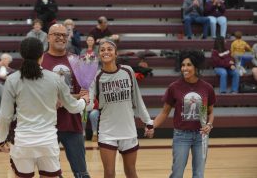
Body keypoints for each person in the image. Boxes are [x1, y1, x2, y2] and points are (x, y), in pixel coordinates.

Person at [0, 37, 89, 178]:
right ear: (42, 55)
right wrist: (84, 100)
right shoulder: (55, 78)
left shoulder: (12, 79)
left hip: (23, 142)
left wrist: (1, 138)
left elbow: (5, 116)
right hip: (48, 142)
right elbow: (73, 107)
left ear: (22, 55)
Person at [92, 40, 154, 178]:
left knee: (131, 172)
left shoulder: (128, 71)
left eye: (109, 49)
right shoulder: (96, 76)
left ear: (116, 53)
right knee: (109, 173)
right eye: (102, 50)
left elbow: (137, 98)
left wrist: (148, 121)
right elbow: (90, 105)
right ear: (99, 54)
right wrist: (83, 98)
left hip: (128, 130)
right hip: (107, 131)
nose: (106, 52)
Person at [150, 50, 215, 178]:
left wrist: (209, 124)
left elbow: (210, 112)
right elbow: (164, 112)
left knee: (199, 174)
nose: (185, 68)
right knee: (177, 173)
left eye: (189, 65)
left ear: (196, 67)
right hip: (181, 135)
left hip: (201, 136)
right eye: (183, 65)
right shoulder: (174, 87)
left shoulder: (207, 88)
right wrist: (152, 126)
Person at [42, 24, 91, 178]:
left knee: (81, 173)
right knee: (51, 174)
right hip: (47, 126)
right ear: (48, 37)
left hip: (72, 124)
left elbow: (83, 93)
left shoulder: (75, 61)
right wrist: (50, 100)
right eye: (56, 34)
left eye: (64, 35)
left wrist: (67, 99)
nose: (61, 38)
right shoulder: (40, 60)